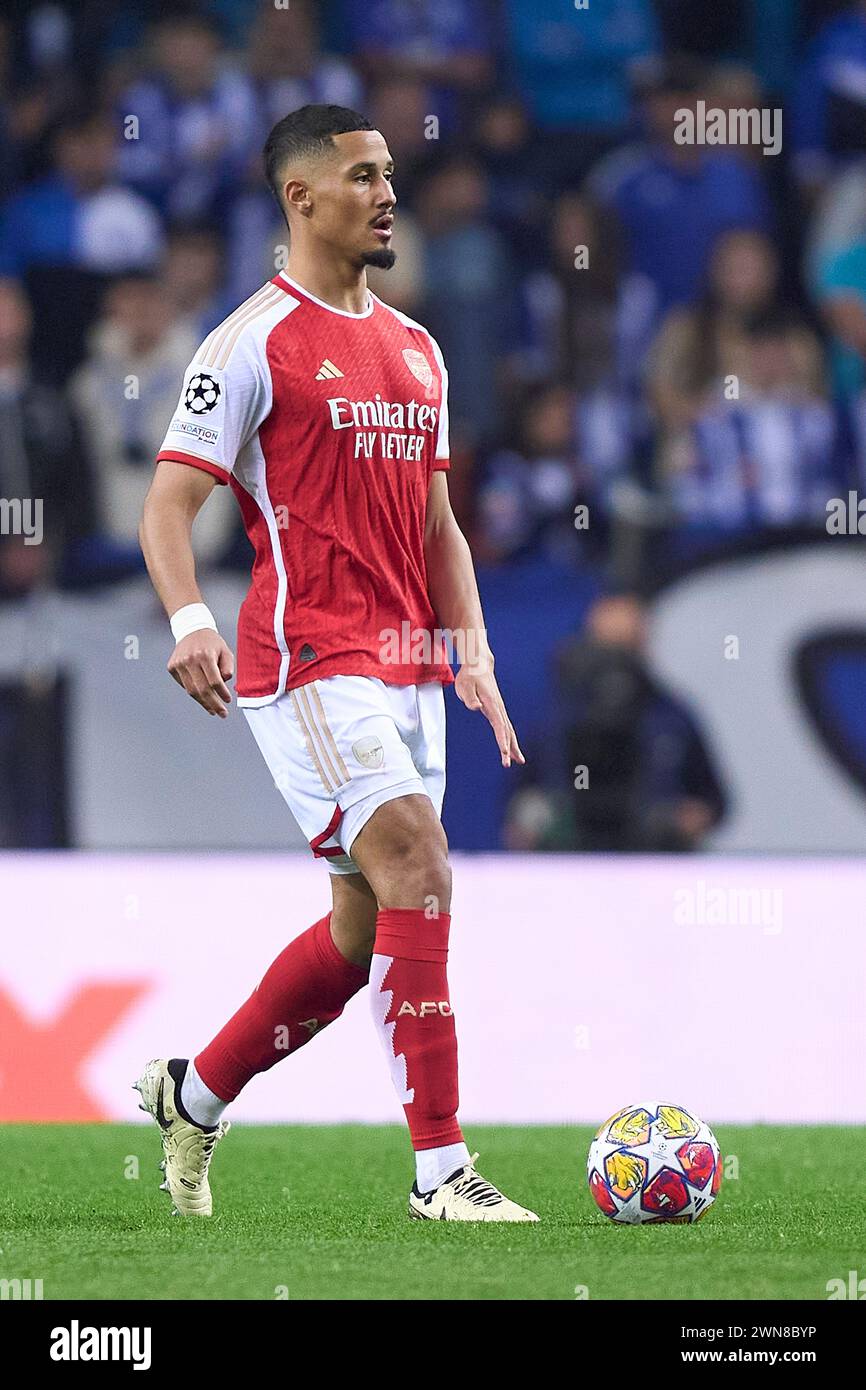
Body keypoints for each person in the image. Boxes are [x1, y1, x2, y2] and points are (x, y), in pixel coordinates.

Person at [135, 104, 537, 1224]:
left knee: (365, 934)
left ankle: (194, 1090)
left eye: (391, 174)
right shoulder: (250, 342)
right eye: (362, 175)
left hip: (405, 663)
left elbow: (437, 522)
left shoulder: (417, 348)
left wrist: (473, 652)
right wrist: (187, 621)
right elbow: (166, 506)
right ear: (300, 199)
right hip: (305, 654)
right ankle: (439, 1173)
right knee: (420, 861)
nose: (387, 192)